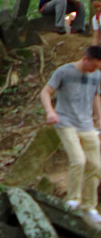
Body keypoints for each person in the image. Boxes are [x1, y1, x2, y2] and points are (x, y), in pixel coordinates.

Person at [40, 45, 101, 224]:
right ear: (86, 59)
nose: (96, 69)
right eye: (94, 65)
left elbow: (97, 96)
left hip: (87, 124)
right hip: (65, 122)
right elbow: (45, 92)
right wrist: (50, 112)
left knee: (97, 165)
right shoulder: (64, 72)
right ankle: (72, 200)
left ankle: (89, 206)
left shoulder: (96, 75)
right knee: (78, 160)